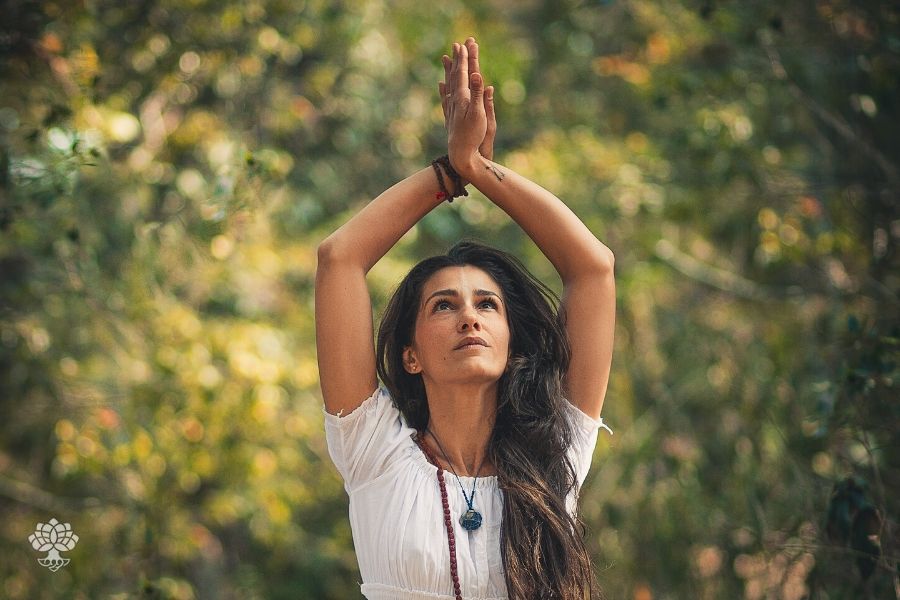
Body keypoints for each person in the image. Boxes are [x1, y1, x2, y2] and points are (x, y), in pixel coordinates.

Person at [316, 37, 615, 600]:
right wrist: (446, 177)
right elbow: (340, 258)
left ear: (510, 342)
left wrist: (478, 167)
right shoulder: (375, 449)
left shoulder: (553, 455)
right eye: (444, 305)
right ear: (411, 353)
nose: (469, 319)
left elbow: (594, 268)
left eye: (487, 304)